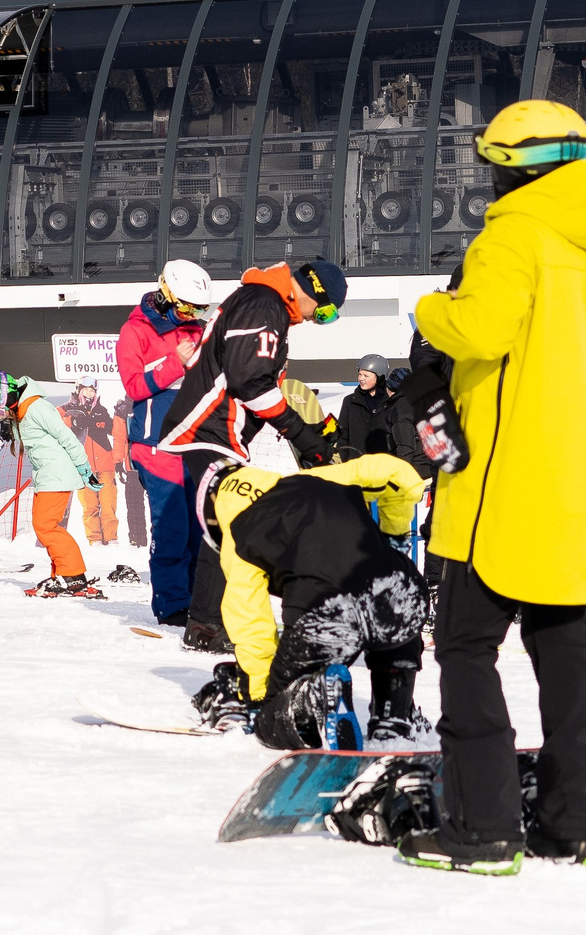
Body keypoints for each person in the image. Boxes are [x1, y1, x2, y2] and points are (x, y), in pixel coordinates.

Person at [396, 98, 586, 875]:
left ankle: (483, 829)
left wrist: (430, 307)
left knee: (466, 647)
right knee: (563, 649)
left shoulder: (513, 237)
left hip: (501, 490)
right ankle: (576, 825)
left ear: (509, 169)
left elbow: (480, 331)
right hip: (579, 487)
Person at [152, 260, 343, 651]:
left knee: (228, 524)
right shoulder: (263, 303)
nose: (315, 320)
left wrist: (310, 432)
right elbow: (251, 382)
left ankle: (209, 620)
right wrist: (305, 438)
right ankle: (206, 624)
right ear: (312, 291)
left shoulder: (264, 303)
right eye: (323, 312)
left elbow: (259, 384)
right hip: (204, 428)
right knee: (229, 523)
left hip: (219, 432)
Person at [189, 453, 430, 747]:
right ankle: (393, 717)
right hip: (401, 591)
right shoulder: (314, 479)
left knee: (272, 715)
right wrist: (392, 537)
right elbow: (399, 475)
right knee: (391, 624)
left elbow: (250, 621)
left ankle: (311, 696)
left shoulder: (240, 533)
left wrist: (261, 694)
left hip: (328, 616)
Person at [117, 260, 217, 623]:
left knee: (198, 527)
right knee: (172, 527)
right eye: (187, 306)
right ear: (166, 294)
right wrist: (175, 362)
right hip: (156, 444)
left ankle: (195, 601)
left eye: (199, 309)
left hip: (194, 443)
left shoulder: (199, 328)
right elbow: (134, 386)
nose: (193, 314)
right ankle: (173, 605)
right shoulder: (137, 330)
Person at [0, 376, 97, 595]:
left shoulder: (38, 407)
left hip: (56, 473)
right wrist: (10, 425)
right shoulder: (23, 409)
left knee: (46, 525)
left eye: (0, 409)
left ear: (7, 396)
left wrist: (84, 468)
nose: (1, 413)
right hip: (46, 474)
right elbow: (32, 440)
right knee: (45, 526)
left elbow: (67, 437)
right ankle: (62, 575)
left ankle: (73, 576)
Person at [341, 355, 431, 477]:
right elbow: (342, 434)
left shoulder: (393, 402)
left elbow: (404, 441)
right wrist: (346, 461)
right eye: (360, 374)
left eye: (366, 376)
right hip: (358, 467)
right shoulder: (350, 401)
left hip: (384, 468)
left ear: (379, 377)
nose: (361, 379)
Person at [64, 383, 124, 546]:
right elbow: (58, 426)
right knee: (89, 505)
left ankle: (111, 537)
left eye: (92, 390)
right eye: (86, 390)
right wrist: (70, 421)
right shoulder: (70, 410)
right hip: (84, 466)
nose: (89, 393)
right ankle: (95, 538)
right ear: (78, 391)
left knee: (108, 503)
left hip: (105, 463)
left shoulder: (101, 411)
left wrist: (120, 415)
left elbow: (116, 431)